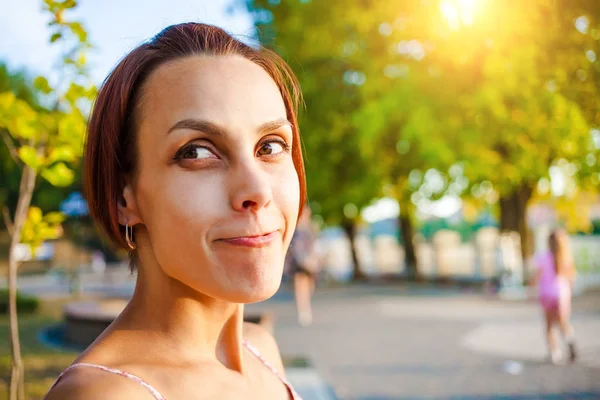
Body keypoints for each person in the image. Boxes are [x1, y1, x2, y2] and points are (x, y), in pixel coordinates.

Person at [45, 22, 306, 399]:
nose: (257, 191)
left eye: (270, 146)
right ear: (125, 198)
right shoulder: (107, 394)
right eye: (197, 152)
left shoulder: (259, 349)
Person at [533, 228, 578, 365]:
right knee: (563, 324)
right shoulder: (566, 258)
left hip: (547, 294)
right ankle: (570, 340)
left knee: (549, 326)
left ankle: (555, 353)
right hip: (561, 294)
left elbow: (536, 277)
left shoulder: (543, 257)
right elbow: (571, 278)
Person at [287, 203, 319, 327]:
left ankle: (305, 306)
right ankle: (303, 310)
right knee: (301, 285)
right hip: (298, 261)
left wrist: (314, 259)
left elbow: (314, 245)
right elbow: (293, 247)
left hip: (309, 261)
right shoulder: (296, 229)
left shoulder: (311, 228)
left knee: (309, 286)